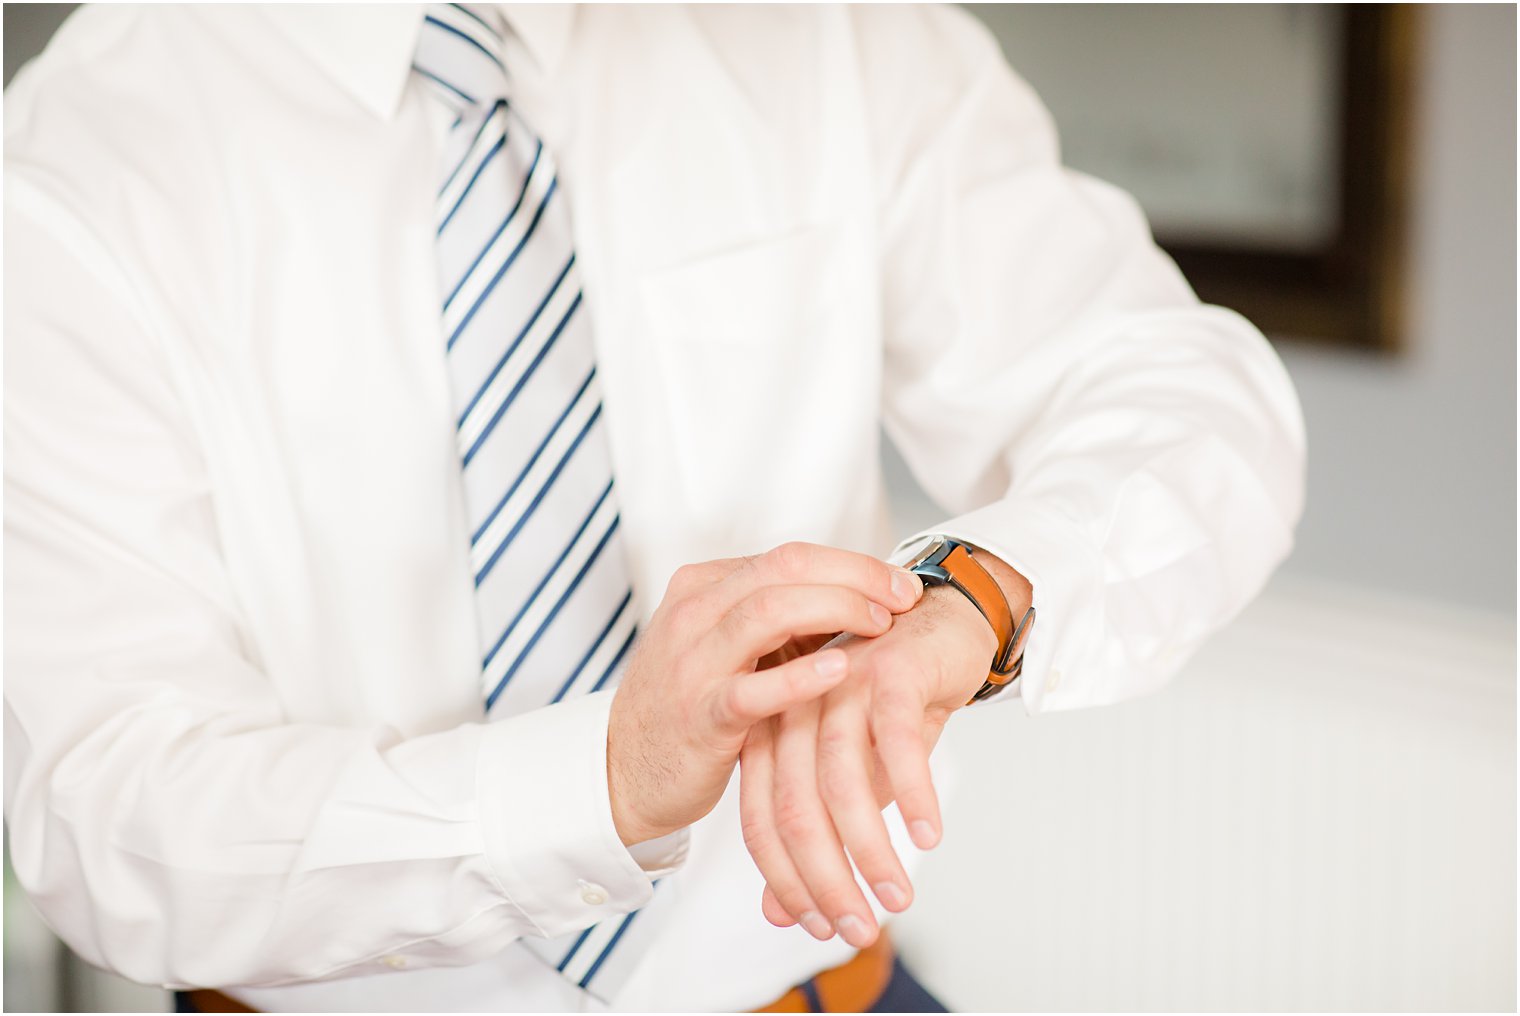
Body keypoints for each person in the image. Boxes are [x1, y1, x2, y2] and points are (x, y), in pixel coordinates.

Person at [2, 4, 1305, 1013]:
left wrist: (976, 599)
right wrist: (598, 783)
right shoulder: (75, 169)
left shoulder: (829, 34)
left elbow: (1188, 394)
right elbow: (101, 800)